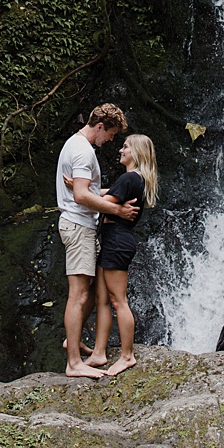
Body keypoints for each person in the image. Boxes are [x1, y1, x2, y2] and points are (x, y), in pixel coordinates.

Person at [56, 106, 138, 379]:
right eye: (112, 134)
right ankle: (74, 363)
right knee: (79, 295)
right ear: (100, 125)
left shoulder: (76, 146)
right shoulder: (82, 151)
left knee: (88, 292)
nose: (112, 142)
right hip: (79, 226)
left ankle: (73, 340)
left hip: (82, 226)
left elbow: (86, 191)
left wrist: (80, 190)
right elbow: (82, 196)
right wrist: (117, 211)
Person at [87, 134, 157, 378]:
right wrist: (81, 187)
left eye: (125, 147)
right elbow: (107, 192)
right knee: (102, 298)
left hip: (117, 240)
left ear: (136, 152)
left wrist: (80, 192)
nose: (120, 150)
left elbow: (99, 202)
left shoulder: (129, 178)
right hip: (114, 238)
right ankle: (98, 352)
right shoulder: (134, 179)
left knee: (118, 300)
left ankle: (127, 356)